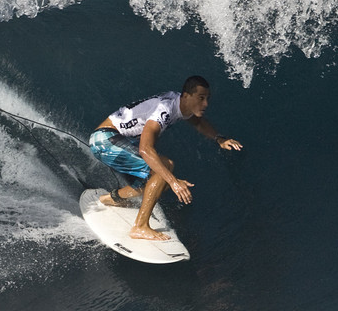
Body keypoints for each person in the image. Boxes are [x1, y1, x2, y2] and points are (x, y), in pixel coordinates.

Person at [85, 76, 242, 241]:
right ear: (187, 96)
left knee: (159, 181)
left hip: (114, 140)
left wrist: (219, 138)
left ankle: (111, 199)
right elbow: (145, 149)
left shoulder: (181, 104)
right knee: (165, 168)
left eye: (207, 99)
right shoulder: (165, 109)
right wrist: (175, 182)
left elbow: (198, 122)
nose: (205, 104)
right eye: (201, 98)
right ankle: (140, 227)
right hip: (104, 140)